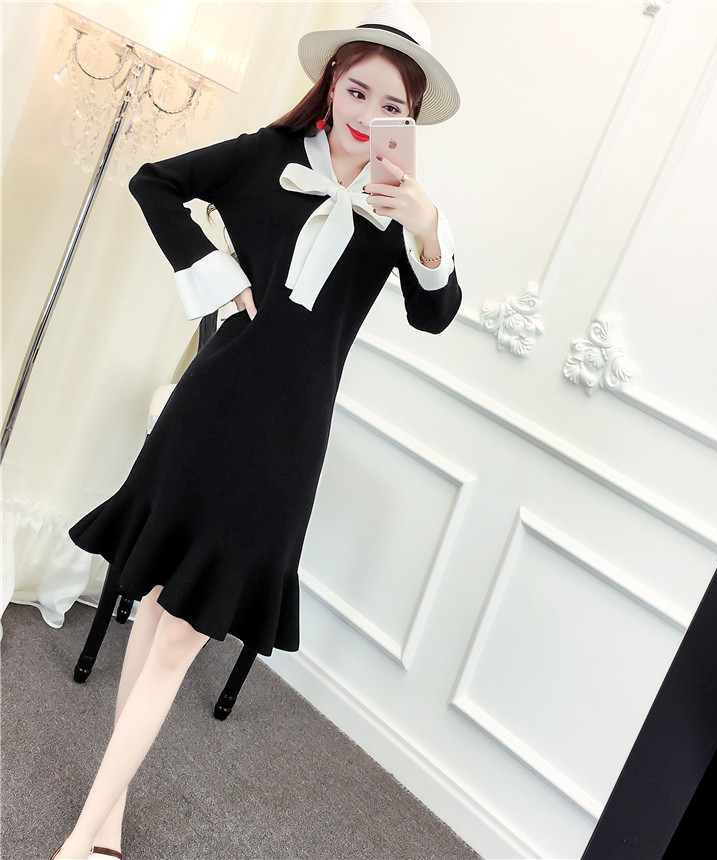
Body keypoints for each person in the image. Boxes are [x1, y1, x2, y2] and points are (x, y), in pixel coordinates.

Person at [51, 2, 460, 857]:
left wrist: (427, 231)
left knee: (176, 636)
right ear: (331, 85)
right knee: (160, 611)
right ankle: (97, 832)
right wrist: (211, 271)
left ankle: (92, 828)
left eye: (394, 106)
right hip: (211, 409)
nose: (371, 113)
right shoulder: (267, 156)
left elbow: (434, 315)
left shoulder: (403, 207)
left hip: (287, 443)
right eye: (359, 90)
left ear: (410, 119)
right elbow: (153, 182)